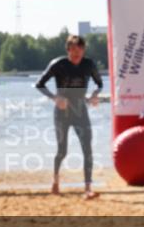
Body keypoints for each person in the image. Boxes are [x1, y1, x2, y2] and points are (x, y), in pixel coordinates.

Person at [35, 35, 103, 199]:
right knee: (62, 151)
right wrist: (55, 98)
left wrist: (94, 94)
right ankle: (56, 181)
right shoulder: (58, 64)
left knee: (88, 149)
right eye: (73, 50)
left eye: (79, 50)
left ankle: (88, 188)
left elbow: (99, 84)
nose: (76, 53)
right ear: (68, 50)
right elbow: (39, 84)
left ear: (83, 50)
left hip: (80, 111)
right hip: (62, 112)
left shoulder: (89, 64)